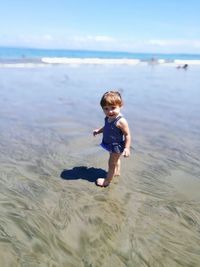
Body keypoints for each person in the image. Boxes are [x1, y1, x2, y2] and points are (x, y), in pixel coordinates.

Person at [93, 91, 131, 187]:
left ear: (120, 106)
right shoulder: (108, 118)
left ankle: (106, 181)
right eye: (106, 109)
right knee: (115, 160)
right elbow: (106, 127)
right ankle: (116, 173)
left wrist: (127, 148)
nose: (110, 111)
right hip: (110, 144)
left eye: (113, 108)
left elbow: (127, 135)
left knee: (111, 163)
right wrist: (99, 131)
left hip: (116, 146)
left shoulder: (121, 121)